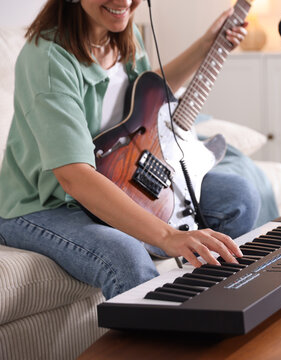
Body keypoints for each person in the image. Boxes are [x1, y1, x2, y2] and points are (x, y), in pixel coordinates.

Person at [0, 0, 259, 300]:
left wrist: (207, 45)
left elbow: (147, 97)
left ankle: (213, 306)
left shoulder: (124, 33)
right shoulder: (47, 59)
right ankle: (161, 342)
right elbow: (75, 176)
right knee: (127, 257)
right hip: (45, 205)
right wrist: (168, 236)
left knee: (238, 196)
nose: (124, 2)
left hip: (116, 180)